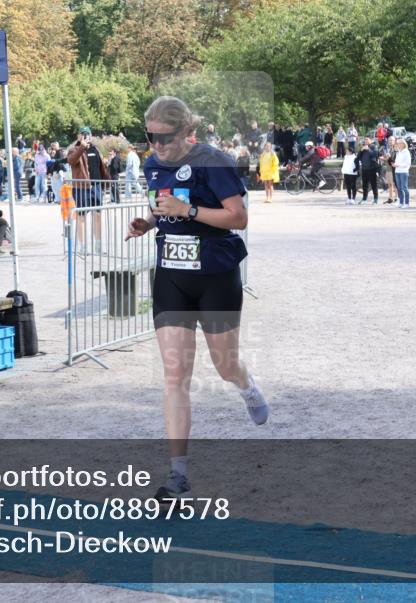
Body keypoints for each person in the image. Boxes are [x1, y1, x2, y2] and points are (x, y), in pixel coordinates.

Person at [124, 96, 268, 502]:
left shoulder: (214, 161)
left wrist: (188, 211)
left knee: (224, 365)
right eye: (149, 137)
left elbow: (238, 218)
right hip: (172, 276)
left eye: (163, 138)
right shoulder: (153, 164)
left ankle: (247, 386)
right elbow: (160, 206)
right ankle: (178, 476)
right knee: (174, 375)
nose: (155, 146)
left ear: (186, 132)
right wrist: (147, 220)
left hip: (216, 275)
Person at [67, 126, 110, 255]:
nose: (86, 136)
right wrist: (82, 147)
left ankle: (98, 245)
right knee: (82, 216)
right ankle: (83, 246)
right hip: (81, 187)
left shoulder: (95, 149)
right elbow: (71, 160)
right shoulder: (74, 149)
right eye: (83, 134)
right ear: (78, 136)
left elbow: (101, 166)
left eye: (88, 134)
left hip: (96, 186)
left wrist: (105, 182)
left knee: (97, 215)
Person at [392, 139, 412, 208]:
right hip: (397, 171)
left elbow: (408, 163)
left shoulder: (406, 152)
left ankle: (407, 203)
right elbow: (397, 161)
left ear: (403, 144)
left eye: (400, 143)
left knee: (404, 187)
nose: (398, 145)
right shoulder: (398, 152)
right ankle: (401, 202)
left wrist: (398, 165)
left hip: (404, 172)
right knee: (399, 188)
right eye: (398, 143)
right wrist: (395, 164)